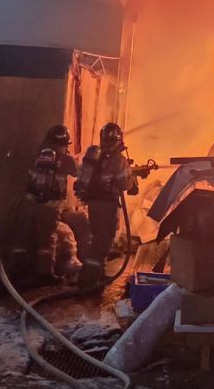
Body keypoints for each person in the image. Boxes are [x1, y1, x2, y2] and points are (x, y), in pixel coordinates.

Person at [74, 122, 135, 289]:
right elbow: (124, 184)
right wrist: (132, 179)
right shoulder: (119, 160)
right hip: (107, 206)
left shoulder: (95, 156)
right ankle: (87, 279)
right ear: (118, 139)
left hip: (93, 204)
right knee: (103, 241)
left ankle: (98, 274)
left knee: (97, 237)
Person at [23, 124, 79, 280]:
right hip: (50, 207)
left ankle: (24, 269)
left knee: (30, 237)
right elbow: (77, 172)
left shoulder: (37, 154)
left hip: (30, 202)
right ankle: (45, 274)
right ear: (64, 143)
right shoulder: (66, 159)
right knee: (47, 240)